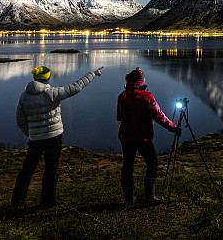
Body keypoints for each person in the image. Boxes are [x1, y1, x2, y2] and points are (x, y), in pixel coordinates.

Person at [11, 65, 102, 210]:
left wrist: (31, 133)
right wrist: (93, 74)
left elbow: (20, 120)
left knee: (27, 170)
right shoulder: (51, 93)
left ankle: (17, 202)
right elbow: (76, 87)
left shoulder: (24, 96)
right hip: (53, 137)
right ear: (47, 78)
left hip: (35, 139)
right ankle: (48, 201)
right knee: (51, 169)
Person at [117, 67, 181, 206]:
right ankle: (150, 197)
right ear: (141, 81)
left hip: (125, 137)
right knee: (152, 163)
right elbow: (159, 116)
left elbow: (118, 117)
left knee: (127, 166)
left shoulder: (122, 96)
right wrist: (174, 128)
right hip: (143, 138)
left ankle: (129, 199)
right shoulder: (147, 97)